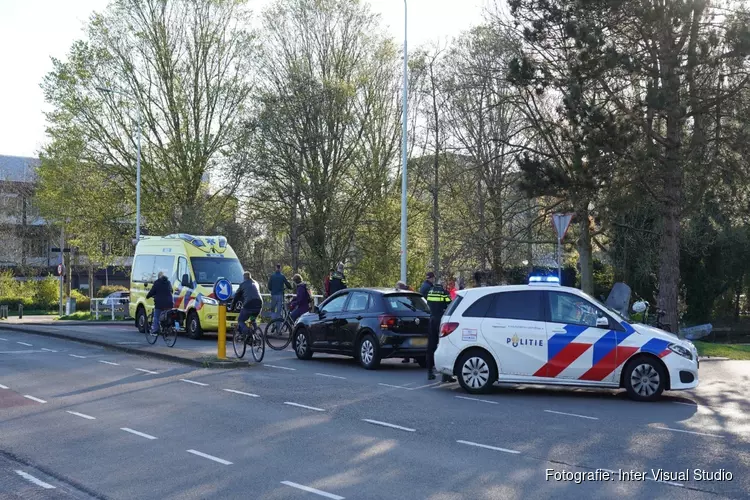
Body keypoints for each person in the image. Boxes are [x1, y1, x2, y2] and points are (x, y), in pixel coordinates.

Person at [426, 279, 452, 380]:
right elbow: (449, 305)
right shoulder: (444, 293)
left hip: (431, 320)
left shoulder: (430, 292)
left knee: (431, 347)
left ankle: (429, 371)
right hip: (441, 321)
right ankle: (445, 375)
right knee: (444, 345)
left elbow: (428, 305)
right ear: (443, 284)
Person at [231, 271, 263, 336]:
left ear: (244, 278)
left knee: (240, 320)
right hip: (259, 304)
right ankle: (255, 335)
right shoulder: (256, 283)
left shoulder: (242, 284)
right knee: (252, 319)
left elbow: (236, 297)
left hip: (249, 304)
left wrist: (232, 307)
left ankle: (247, 332)